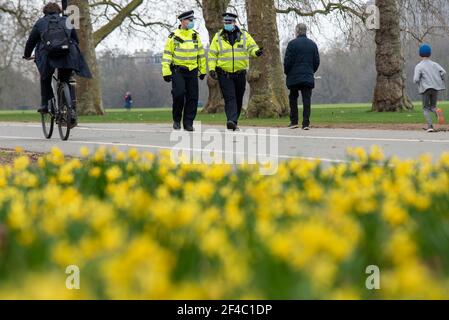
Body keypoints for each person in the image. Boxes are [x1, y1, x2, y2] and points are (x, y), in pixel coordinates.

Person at [23, 2, 91, 126]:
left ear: (45, 12)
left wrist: (27, 55)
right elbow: (75, 40)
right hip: (67, 55)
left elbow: (30, 42)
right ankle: (70, 110)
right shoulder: (67, 20)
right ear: (59, 11)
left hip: (48, 56)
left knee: (45, 77)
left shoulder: (40, 23)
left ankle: (45, 105)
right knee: (65, 80)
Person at [208, 12, 263, 131]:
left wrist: (256, 52)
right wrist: (212, 69)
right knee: (230, 98)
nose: (227, 24)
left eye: (229, 22)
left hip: (240, 73)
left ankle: (234, 121)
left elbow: (252, 47)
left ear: (234, 23)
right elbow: (212, 54)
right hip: (224, 73)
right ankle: (231, 120)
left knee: (238, 98)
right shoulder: (218, 37)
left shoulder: (244, 35)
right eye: (225, 23)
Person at [161, 10, 207, 132]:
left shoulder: (195, 36)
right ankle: (176, 119)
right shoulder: (173, 36)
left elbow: (201, 54)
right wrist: (166, 72)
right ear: (182, 21)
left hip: (192, 70)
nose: (192, 22)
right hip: (178, 71)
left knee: (193, 97)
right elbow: (167, 55)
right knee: (179, 95)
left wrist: (203, 70)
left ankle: (188, 123)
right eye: (189, 20)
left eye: (192, 20)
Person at [284, 23, 320, 130]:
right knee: (306, 99)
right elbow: (316, 61)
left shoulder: (291, 44)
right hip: (307, 76)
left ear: (297, 31)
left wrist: (287, 72)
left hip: (293, 77)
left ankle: (294, 121)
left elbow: (287, 61)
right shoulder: (312, 44)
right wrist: (311, 71)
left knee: (293, 98)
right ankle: (306, 123)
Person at [413, 44, 446, 133]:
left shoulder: (419, 66)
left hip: (425, 89)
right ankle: (437, 111)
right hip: (435, 88)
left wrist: (418, 81)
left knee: (425, 108)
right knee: (433, 106)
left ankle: (430, 126)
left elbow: (416, 79)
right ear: (430, 54)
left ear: (420, 54)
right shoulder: (435, 64)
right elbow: (443, 72)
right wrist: (440, 79)